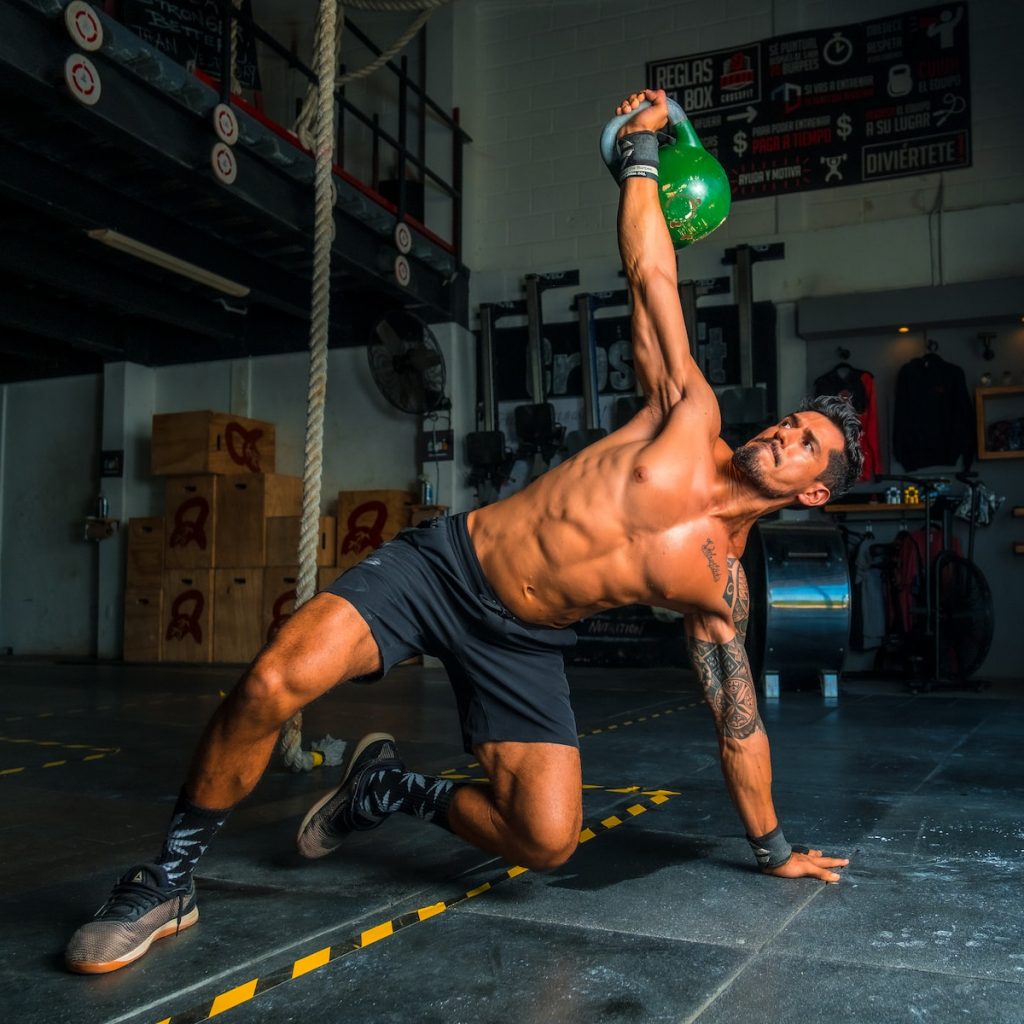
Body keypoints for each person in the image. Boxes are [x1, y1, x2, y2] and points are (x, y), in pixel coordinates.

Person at [66, 89, 859, 975]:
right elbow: (651, 274)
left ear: (815, 492)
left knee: (548, 839)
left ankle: (391, 786)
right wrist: (641, 151)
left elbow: (738, 725)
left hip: (521, 644)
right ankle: (169, 878)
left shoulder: (722, 586)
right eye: (791, 422)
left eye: (805, 446)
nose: (784, 435)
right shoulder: (687, 412)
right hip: (445, 568)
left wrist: (773, 848)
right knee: (272, 679)